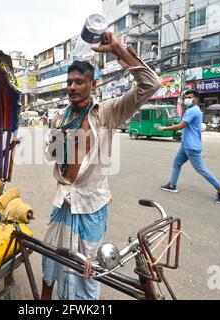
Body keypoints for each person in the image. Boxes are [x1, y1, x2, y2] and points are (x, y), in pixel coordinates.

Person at [42, 31, 160, 300]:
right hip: (63, 202)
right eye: (69, 81)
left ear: (92, 85)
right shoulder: (60, 118)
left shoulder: (106, 112)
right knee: (51, 259)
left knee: (88, 271)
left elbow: (150, 85)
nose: (72, 87)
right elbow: (52, 156)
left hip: (92, 206)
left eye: (79, 82)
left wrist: (119, 50)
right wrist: (58, 142)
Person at [158, 90, 220, 204]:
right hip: (186, 145)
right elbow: (183, 121)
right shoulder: (193, 110)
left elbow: (181, 126)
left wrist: (164, 128)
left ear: (196, 99)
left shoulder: (192, 111)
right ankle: (172, 184)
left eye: (189, 97)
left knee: (201, 169)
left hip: (191, 146)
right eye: (186, 97)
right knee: (177, 163)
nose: (187, 99)